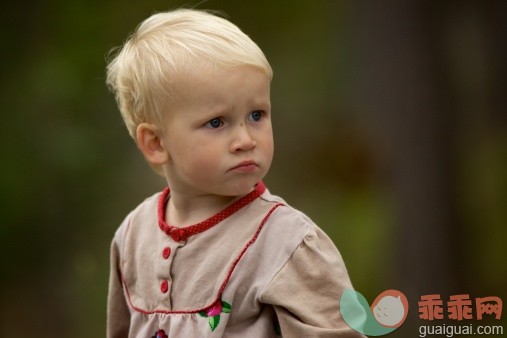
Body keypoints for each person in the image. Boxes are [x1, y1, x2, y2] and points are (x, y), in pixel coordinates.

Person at [106, 8, 364, 338]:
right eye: (217, 122)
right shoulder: (132, 236)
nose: (245, 140)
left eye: (257, 115)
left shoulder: (287, 243)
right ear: (155, 143)